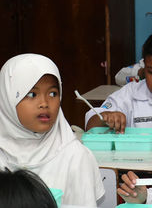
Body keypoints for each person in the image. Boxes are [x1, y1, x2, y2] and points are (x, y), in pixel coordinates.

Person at [0, 54, 104, 207]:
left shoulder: (75, 157)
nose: (44, 103)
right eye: (32, 94)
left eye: (53, 94)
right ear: (6, 97)